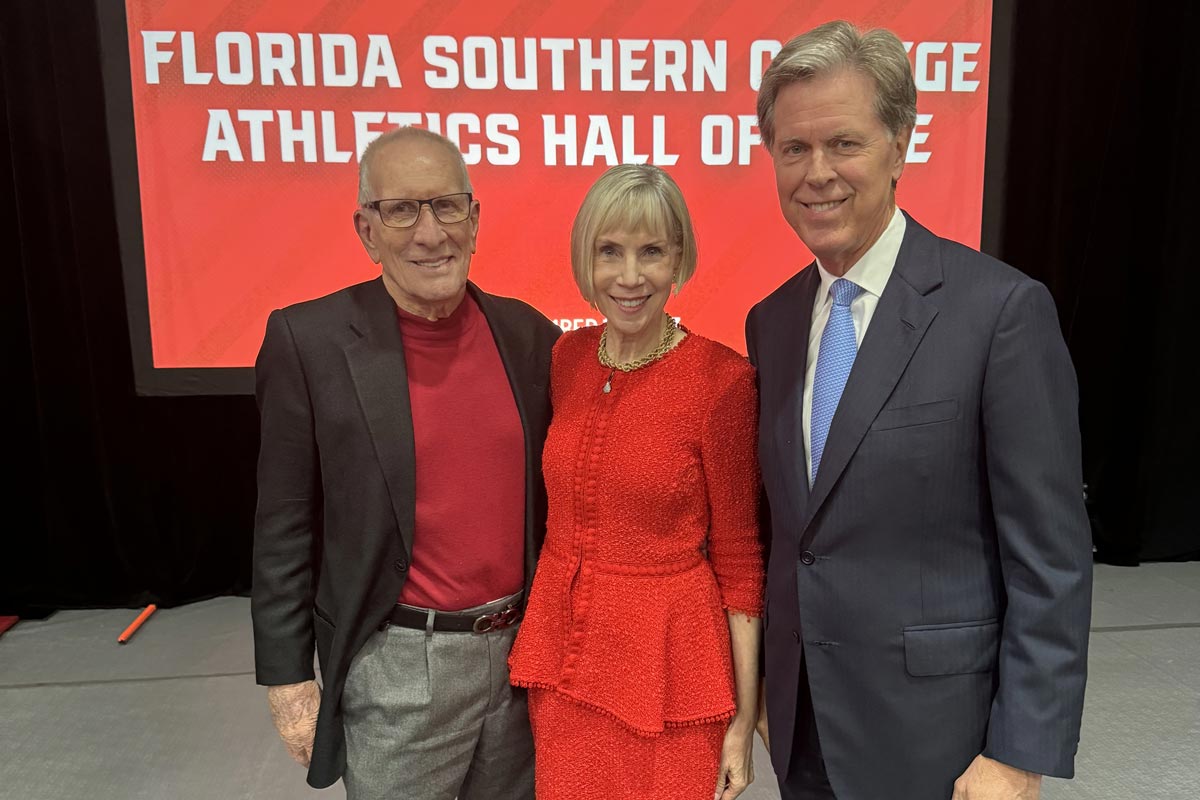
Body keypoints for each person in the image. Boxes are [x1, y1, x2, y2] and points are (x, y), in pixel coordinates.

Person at [746, 20, 1093, 800]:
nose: (817, 173)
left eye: (844, 143)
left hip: (943, 742)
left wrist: (1018, 750)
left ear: (900, 144)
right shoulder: (768, 322)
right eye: (793, 149)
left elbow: (1051, 559)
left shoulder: (1000, 312)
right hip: (804, 730)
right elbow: (791, 534)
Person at [251, 126, 560, 799]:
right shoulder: (309, 342)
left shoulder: (531, 335)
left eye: (448, 206)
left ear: (475, 221)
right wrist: (287, 678)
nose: (430, 233)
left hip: (521, 664)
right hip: (396, 667)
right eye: (402, 210)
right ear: (367, 231)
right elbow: (283, 523)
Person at [507, 164, 764, 800]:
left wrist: (742, 720)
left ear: (679, 257)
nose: (629, 276)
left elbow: (740, 563)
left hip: (669, 676)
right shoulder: (566, 359)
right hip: (564, 665)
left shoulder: (720, 381)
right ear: (585, 259)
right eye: (610, 251)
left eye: (651, 252)